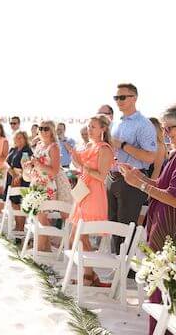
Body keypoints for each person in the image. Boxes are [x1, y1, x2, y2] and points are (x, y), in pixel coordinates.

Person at [119, 101, 176, 335]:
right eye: (163, 129)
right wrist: (140, 178)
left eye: (170, 128)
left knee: (169, 299)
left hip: (175, 239)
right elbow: (164, 187)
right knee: (165, 297)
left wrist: (139, 184)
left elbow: (174, 198)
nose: (166, 133)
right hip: (170, 236)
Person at [107, 83, 157, 253]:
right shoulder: (114, 123)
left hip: (132, 180)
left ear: (134, 98)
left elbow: (150, 157)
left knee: (126, 226)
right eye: (116, 97)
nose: (118, 101)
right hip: (112, 177)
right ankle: (117, 267)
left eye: (122, 97)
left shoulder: (144, 124)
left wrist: (122, 145)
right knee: (113, 225)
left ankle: (128, 272)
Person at [64, 115, 113, 287]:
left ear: (103, 129)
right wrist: (76, 162)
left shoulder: (105, 148)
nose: (89, 129)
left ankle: (89, 276)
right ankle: (90, 276)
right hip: (83, 190)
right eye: (89, 126)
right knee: (77, 235)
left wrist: (82, 167)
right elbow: (83, 167)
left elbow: (101, 176)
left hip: (93, 193)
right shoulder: (90, 145)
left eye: (93, 126)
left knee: (81, 234)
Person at [24, 120, 73, 252]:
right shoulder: (39, 145)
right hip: (36, 183)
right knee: (40, 218)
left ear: (51, 131)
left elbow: (54, 171)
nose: (43, 131)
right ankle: (46, 250)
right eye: (40, 128)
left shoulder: (54, 147)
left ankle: (40, 249)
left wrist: (38, 165)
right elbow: (37, 163)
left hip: (47, 186)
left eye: (46, 129)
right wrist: (30, 165)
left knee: (41, 219)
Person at [5, 131, 33, 232]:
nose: (18, 139)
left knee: (21, 204)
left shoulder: (27, 150)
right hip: (12, 177)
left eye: (21, 138)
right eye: (16, 138)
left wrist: (19, 175)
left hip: (22, 179)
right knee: (14, 203)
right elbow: (6, 162)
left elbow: (27, 166)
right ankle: (17, 226)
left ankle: (21, 229)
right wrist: (11, 171)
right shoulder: (13, 149)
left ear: (25, 139)